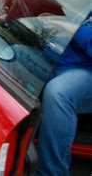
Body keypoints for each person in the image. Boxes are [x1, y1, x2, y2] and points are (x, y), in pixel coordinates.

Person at [37, 12, 92, 175]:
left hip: (84, 70)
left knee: (58, 93)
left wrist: (71, 27)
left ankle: (52, 172)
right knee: (8, 55)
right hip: (53, 60)